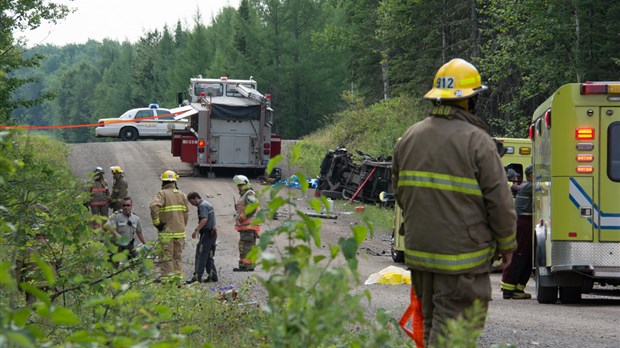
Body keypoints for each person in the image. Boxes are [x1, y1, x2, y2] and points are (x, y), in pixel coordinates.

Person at [392, 58, 517, 346]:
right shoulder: (478, 141)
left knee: (431, 323)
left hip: (421, 254)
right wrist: (507, 244)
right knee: (453, 333)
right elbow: (500, 201)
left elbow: (401, 193)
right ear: (470, 101)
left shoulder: (409, 137)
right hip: (462, 261)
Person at [149, 170, 190, 278]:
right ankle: (178, 280)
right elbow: (186, 213)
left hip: (166, 233)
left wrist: (157, 223)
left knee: (166, 257)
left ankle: (168, 282)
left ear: (163, 182)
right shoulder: (182, 195)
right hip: (180, 233)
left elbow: (154, 206)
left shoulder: (162, 194)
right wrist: (182, 225)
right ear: (175, 182)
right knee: (178, 257)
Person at [501, 164, 534, 299]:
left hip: (527, 223)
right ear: (530, 175)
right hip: (523, 223)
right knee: (519, 255)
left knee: (527, 257)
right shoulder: (529, 186)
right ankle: (508, 288)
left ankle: (518, 288)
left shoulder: (528, 186)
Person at [186, 192, 218, 283]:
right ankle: (213, 276)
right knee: (208, 255)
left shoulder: (202, 206)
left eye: (191, 201)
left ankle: (197, 277)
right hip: (212, 233)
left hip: (208, 233)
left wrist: (196, 230)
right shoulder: (207, 203)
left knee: (201, 254)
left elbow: (204, 219)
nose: (191, 204)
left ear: (196, 198)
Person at [233, 174, 260, 272]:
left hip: (249, 226)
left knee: (247, 246)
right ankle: (244, 265)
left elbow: (251, 209)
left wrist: (240, 218)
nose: (239, 187)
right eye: (238, 185)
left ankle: (248, 266)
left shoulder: (249, 193)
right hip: (245, 226)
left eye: (240, 185)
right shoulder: (245, 194)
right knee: (244, 245)